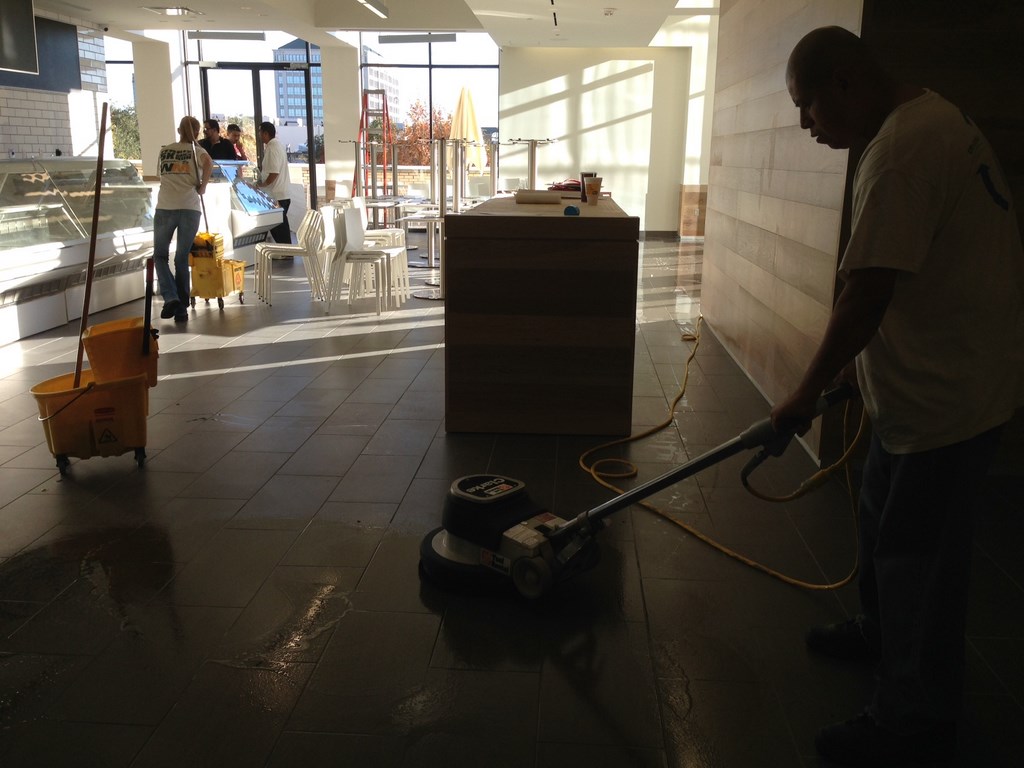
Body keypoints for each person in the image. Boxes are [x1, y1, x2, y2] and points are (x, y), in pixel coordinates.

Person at [771, 26, 1024, 767]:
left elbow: (867, 290)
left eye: (807, 105)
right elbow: (916, 268)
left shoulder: (902, 151)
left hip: (948, 399)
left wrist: (802, 394)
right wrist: (857, 371)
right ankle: (880, 634)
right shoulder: (926, 120)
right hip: (925, 387)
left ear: (845, 83)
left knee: (921, 563)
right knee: (884, 522)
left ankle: (913, 718)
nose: (804, 123)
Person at [153, 116, 213, 322]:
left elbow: (160, 176)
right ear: (197, 133)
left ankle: (171, 298)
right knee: (181, 257)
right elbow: (209, 163)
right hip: (190, 208)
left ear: (179, 130)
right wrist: (202, 187)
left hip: (165, 207)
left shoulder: (165, 150)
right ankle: (181, 308)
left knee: (160, 256)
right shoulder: (197, 151)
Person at [255, 121, 292, 243]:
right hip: (280, 194)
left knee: (279, 229)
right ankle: (285, 250)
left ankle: (286, 251)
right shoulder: (278, 145)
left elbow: (274, 172)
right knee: (279, 227)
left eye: (260, 132)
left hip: (276, 195)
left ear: (265, 133)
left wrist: (262, 185)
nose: (259, 135)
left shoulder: (272, 147)